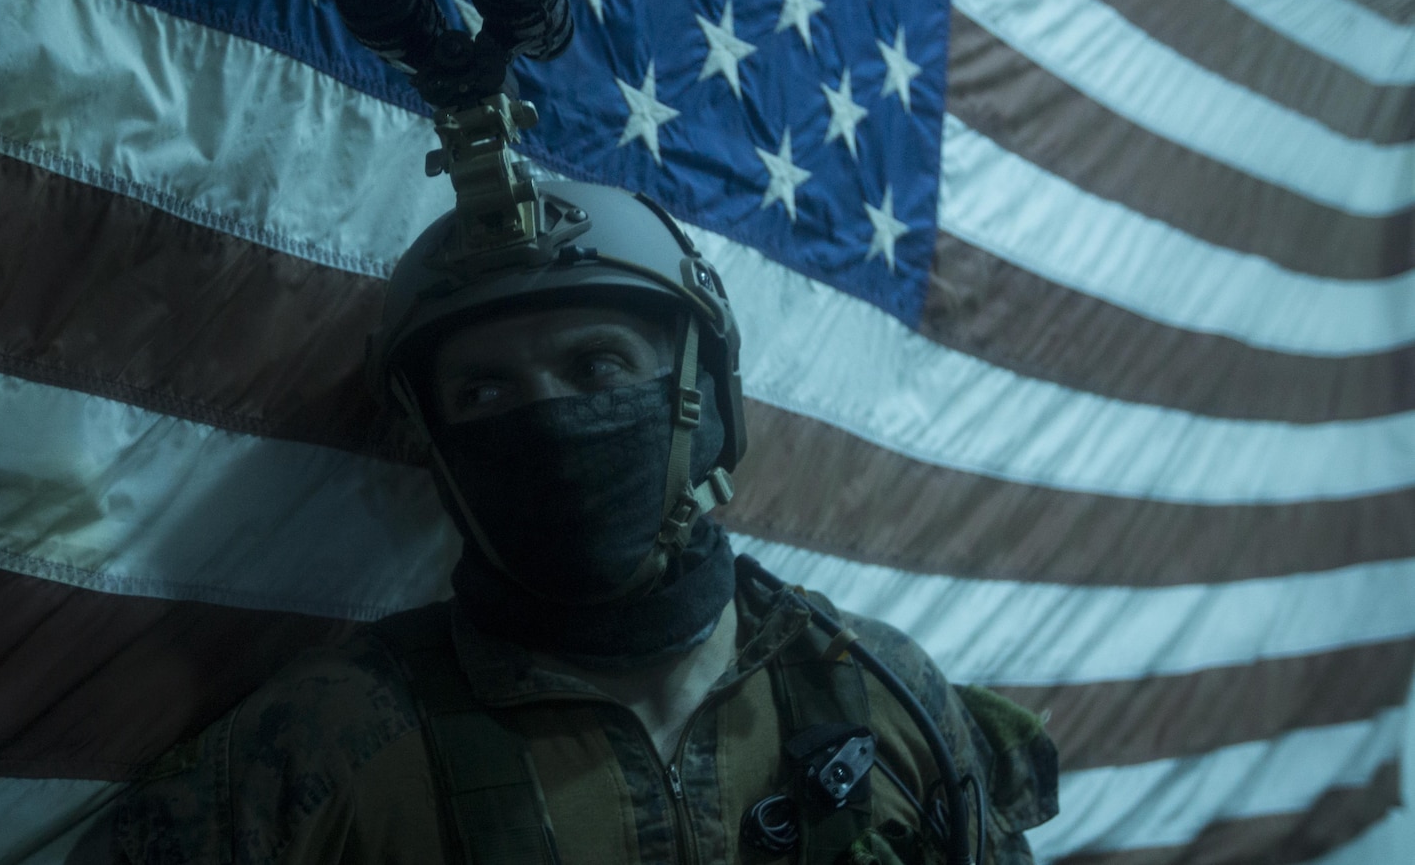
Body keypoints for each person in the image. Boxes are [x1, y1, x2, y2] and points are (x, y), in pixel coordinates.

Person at [90, 180, 1058, 864]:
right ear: (436, 442)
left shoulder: (879, 693)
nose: (547, 418)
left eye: (597, 366)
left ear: (706, 403)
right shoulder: (321, 743)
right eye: (484, 388)